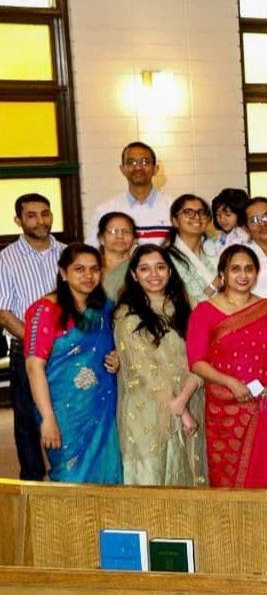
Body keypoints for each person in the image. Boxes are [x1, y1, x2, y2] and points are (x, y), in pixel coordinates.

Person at [186, 245, 267, 489]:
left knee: (266, 477)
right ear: (222, 274)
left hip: (263, 405)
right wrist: (229, 382)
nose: (243, 275)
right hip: (224, 409)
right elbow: (196, 362)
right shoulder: (205, 311)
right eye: (235, 269)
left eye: (249, 269)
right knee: (227, 478)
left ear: (256, 274)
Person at [24, 244, 122, 484]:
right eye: (79, 269)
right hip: (63, 409)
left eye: (94, 269)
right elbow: (34, 366)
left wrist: (119, 356)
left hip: (102, 406)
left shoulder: (105, 308)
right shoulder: (45, 310)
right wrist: (47, 417)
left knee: (108, 472)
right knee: (69, 474)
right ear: (63, 273)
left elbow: (119, 343)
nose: (88, 276)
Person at [113, 244, 206, 486]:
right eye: (145, 269)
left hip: (190, 397)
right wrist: (181, 410)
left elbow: (204, 353)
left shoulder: (189, 305)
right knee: (151, 476)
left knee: (187, 473)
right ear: (134, 275)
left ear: (170, 271)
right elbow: (144, 371)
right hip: (148, 411)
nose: (154, 274)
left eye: (160, 267)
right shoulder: (127, 315)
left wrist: (185, 398)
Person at [0, 193, 64, 481]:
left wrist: (61, 345)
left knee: (65, 412)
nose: (41, 220)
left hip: (67, 351)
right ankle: (33, 482)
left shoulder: (68, 253)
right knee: (27, 421)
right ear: (18, 220)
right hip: (25, 351)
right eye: (32, 215)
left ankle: (67, 473)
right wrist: (39, 344)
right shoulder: (6, 259)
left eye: (45, 213)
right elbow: (3, 312)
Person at [90, 142, 172, 245]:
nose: (138, 167)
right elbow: (93, 253)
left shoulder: (173, 209)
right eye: (131, 162)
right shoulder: (105, 210)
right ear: (122, 169)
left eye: (145, 162)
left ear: (155, 169)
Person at [165, 194, 220, 305]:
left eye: (202, 212)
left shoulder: (217, 247)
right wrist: (215, 285)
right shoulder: (166, 258)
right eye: (188, 212)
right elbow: (180, 301)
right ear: (175, 221)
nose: (197, 217)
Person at [98, 211, 137, 300]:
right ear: (101, 238)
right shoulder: (91, 268)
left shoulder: (138, 268)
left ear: (135, 239)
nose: (120, 236)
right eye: (112, 231)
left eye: (126, 231)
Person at [209, 187, 250, 254]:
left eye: (228, 215)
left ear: (240, 213)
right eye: (218, 214)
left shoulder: (244, 236)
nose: (222, 219)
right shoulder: (222, 236)